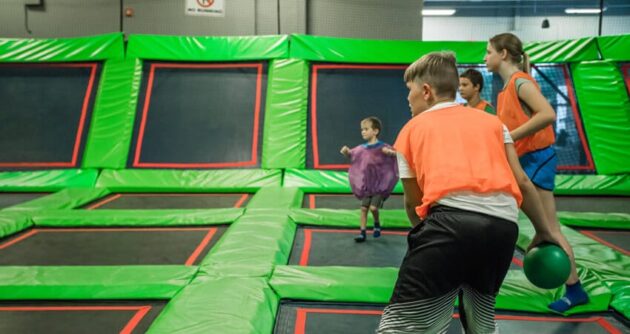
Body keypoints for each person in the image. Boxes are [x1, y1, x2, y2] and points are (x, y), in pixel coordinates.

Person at [376, 52, 563, 333]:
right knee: (480, 321)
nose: (407, 98)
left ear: (426, 91)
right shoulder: (493, 123)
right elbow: (522, 182)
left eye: (409, 90)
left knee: (404, 326)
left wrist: (431, 243)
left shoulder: (411, 129)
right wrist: (545, 230)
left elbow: (413, 202)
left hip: (447, 227)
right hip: (502, 230)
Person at [485, 32, 588, 313]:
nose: (485, 57)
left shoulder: (520, 82)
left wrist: (511, 136)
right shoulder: (508, 87)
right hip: (525, 161)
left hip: (538, 160)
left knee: (550, 229)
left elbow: (547, 114)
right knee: (521, 221)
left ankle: (575, 289)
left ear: (503, 54)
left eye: (488, 51)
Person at [340, 117, 398, 242]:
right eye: (362, 130)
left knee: (373, 208)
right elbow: (351, 154)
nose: (363, 132)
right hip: (367, 185)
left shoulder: (383, 147)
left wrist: (390, 153)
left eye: (366, 129)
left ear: (375, 131)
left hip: (379, 185)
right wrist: (346, 152)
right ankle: (362, 232)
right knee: (363, 209)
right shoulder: (362, 148)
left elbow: (396, 154)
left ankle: (376, 224)